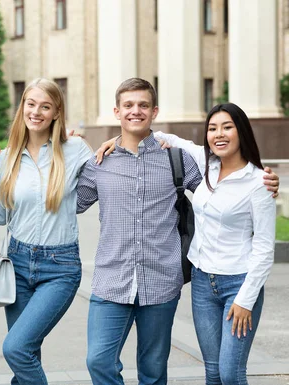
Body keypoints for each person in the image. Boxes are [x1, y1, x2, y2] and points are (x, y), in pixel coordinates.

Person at [81, 78, 280, 385]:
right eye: (129, 106)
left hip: (161, 282)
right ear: (116, 112)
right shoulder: (100, 162)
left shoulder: (177, 159)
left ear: (155, 110)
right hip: (112, 281)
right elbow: (72, 203)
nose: (136, 111)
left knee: (155, 371)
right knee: (98, 361)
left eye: (144, 105)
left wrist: (264, 185)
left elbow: (218, 198)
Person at [153, 104, 276, 384]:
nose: (218, 134)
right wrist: (112, 142)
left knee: (230, 373)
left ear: (241, 131)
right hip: (202, 283)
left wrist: (245, 300)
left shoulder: (259, 182)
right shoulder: (205, 164)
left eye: (227, 127)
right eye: (212, 128)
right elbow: (167, 137)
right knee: (212, 371)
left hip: (239, 284)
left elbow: (265, 248)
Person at [0, 78, 91, 384]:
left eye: (45, 106)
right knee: (27, 353)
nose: (36, 112)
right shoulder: (6, 157)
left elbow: (108, 174)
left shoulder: (75, 150)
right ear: (22, 108)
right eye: (30, 104)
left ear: (56, 112)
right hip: (17, 265)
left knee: (16, 348)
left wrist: (118, 144)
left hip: (59, 268)